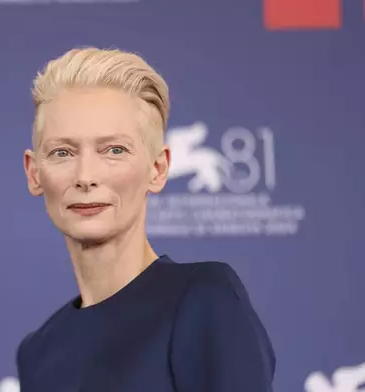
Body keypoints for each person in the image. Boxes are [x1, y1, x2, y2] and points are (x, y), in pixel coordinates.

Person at [17, 47, 276, 391]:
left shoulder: (203, 299)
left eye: (114, 150)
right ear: (35, 173)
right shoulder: (38, 351)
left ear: (158, 169)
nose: (86, 176)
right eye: (62, 152)